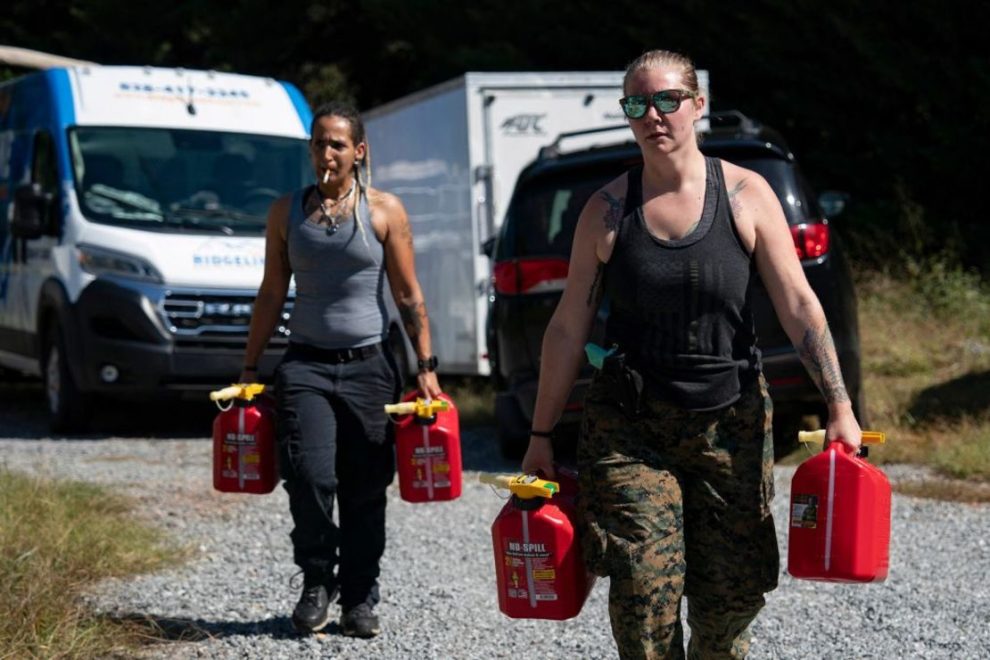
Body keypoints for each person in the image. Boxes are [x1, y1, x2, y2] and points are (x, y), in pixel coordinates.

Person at [521, 50, 862, 659]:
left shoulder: (746, 195)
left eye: (667, 100)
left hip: (729, 424)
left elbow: (800, 305)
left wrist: (839, 403)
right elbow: (568, 328)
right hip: (631, 428)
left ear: (696, 104)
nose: (653, 115)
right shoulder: (605, 210)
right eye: (637, 104)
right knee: (643, 590)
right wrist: (541, 433)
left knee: (730, 603)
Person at [240, 101, 441, 638]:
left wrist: (426, 365)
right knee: (309, 476)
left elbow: (407, 293)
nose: (325, 153)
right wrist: (249, 365)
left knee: (365, 485)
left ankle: (360, 596)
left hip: (370, 366)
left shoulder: (383, 211)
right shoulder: (286, 212)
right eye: (318, 143)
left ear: (359, 152)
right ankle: (316, 580)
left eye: (336, 144)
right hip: (304, 363)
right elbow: (271, 292)